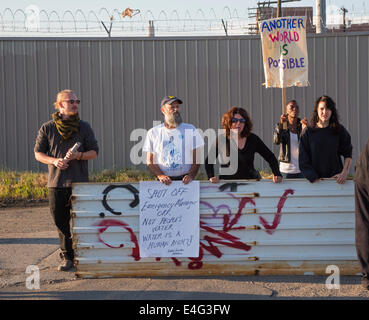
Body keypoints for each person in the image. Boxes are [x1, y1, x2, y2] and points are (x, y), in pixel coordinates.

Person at [34, 89, 98, 271]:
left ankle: (84, 255)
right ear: (60, 104)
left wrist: (78, 155)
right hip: (56, 183)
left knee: (82, 221)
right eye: (71, 101)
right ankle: (67, 256)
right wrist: (54, 160)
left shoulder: (84, 127)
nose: (75, 104)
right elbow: (38, 153)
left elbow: (94, 152)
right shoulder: (48, 128)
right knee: (61, 222)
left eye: (77, 101)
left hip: (79, 184)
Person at [205, 106, 283, 183]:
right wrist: (211, 176)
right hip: (228, 187)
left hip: (250, 185)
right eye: (234, 120)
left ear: (245, 123)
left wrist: (277, 174)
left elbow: (270, 157)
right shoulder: (221, 139)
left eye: (242, 120)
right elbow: (209, 161)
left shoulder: (253, 139)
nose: (238, 123)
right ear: (228, 122)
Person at [143, 95, 204, 185]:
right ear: (163, 110)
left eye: (177, 107)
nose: (176, 109)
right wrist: (160, 175)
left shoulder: (190, 129)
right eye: (172, 107)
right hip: (163, 182)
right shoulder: (153, 132)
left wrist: (191, 175)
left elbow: (197, 158)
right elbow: (150, 161)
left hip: (185, 181)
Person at [299, 95, 352, 184]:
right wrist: (314, 178)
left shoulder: (339, 130)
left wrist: (344, 173)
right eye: (322, 109)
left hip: (336, 181)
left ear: (332, 111)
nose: (325, 112)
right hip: (315, 183)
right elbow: (303, 160)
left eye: (328, 109)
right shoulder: (308, 132)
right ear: (317, 110)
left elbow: (348, 153)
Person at [273, 100, 308, 179]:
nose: (295, 109)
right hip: (286, 170)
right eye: (292, 107)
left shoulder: (302, 125)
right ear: (286, 111)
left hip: (301, 169)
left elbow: (307, 146)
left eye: (297, 107)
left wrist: (305, 130)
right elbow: (276, 141)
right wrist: (281, 125)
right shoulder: (281, 125)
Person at [354, 137, 369, 290]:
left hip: (362, 174)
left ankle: (367, 277)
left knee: (363, 224)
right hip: (364, 175)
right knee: (364, 226)